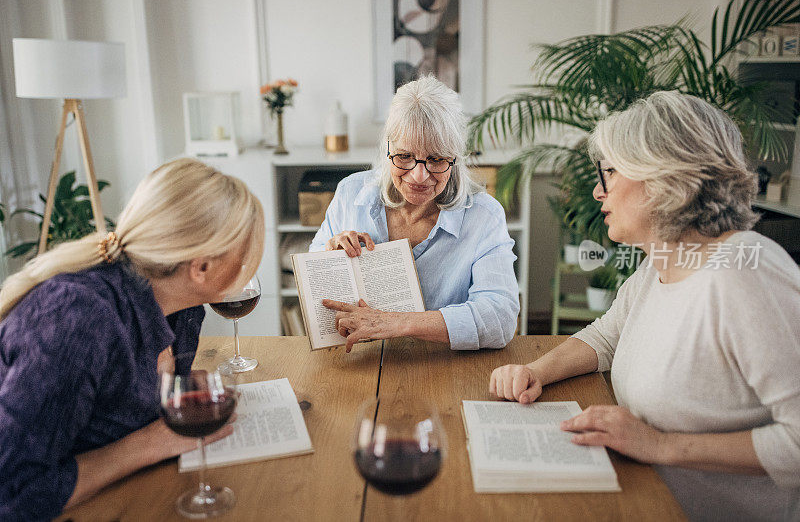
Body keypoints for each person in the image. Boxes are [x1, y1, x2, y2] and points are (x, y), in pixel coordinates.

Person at [489, 91, 800, 521]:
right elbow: (605, 336)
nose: (598, 191)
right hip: (644, 497)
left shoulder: (745, 273)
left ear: (663, 176)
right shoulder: (665, 260)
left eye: (610, 172)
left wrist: (659, 445)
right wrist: (535, 372)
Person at [0, 159, 265, 520]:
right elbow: (14, 491)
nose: (249, 266)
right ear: (201, 268)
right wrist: (150, 443)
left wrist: (179, 390)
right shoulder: (77, 318)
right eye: (245, 254)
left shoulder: (184, 309)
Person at [310, 75, 519, 351]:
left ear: (455, 158)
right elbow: (312, 286)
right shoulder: (350, 194)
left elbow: (500, 318)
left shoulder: (484, 216)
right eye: (405, 156)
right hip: (360, 358)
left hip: (442, 366)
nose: (419, 176)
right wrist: (329, 257)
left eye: (436, 159)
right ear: (388, 148)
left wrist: (396, 323)